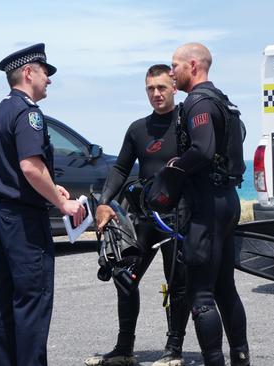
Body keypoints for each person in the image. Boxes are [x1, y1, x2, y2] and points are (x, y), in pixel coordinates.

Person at [0, 43, 86, 366]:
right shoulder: (28, 114)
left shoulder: (0, 111)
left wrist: (51, 187)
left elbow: (14, 168)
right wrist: (62, 204)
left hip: (1, 215)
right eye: (45, 73)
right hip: (24, 222)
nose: (49, 81)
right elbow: (29, 166)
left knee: (7, 303)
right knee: (32, 303)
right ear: (28, 73)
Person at [84, 64, 190, 366]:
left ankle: (174, 349)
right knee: (124, 277)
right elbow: (120, 168)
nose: (156, 94)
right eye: (150, 89)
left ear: (173, 86)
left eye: (161, 87)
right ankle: (124, 348)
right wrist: (104, 201)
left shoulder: (186, 124)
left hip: (177, 217)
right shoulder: (138, 129)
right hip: (145, 216)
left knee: (177, 283)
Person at [166, 43, 250, 366]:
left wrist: (174, 168)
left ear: (193, 65)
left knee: (200, 294)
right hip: (227, 201)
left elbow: (202, 150)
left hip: (207, 206)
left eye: (175, 66)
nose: (172, 73)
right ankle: (241, 358)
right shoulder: (223, 101)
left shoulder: (197, 102)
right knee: (225, 287)